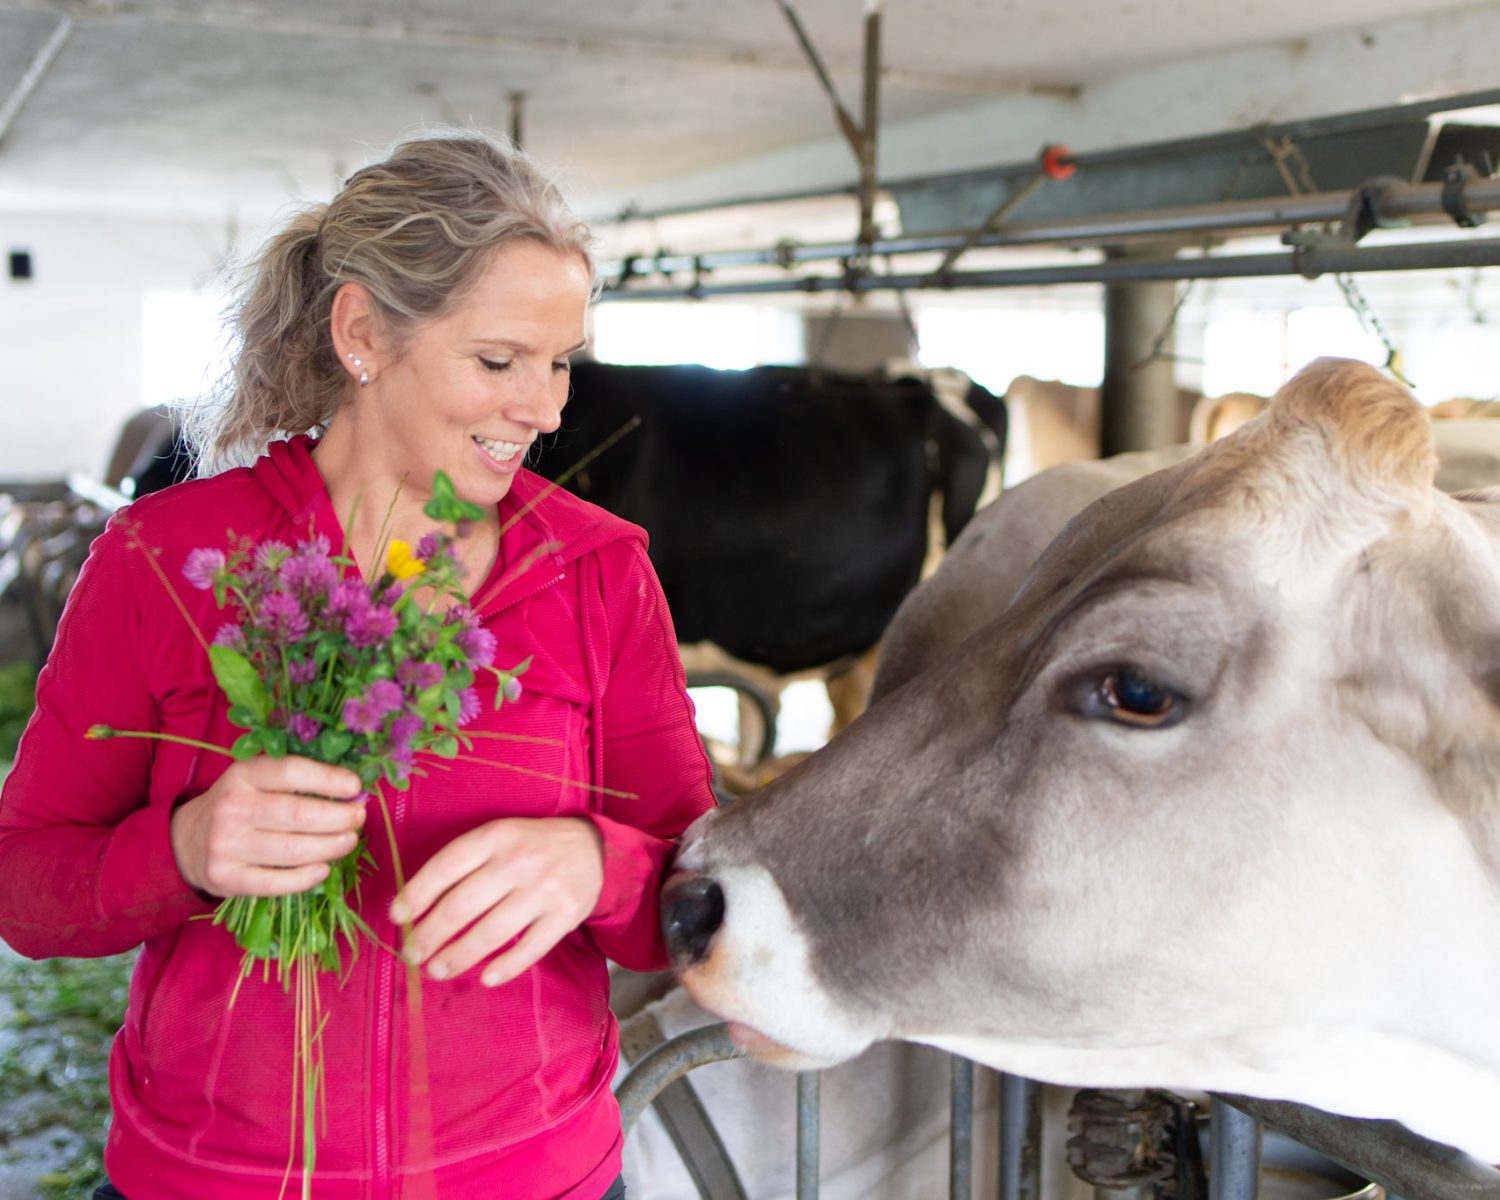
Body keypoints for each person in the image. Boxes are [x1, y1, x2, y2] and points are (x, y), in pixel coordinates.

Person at [0, 132, 716, 1200]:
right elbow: (26, 889)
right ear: (364, 334)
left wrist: (595, 863)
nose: (550, 408)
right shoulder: (161, 562)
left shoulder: (598, 574)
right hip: (214, 1179)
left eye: (560, 361)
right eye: (499, 360)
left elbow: (690, 887)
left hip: (532, 1178)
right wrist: (185, 848)